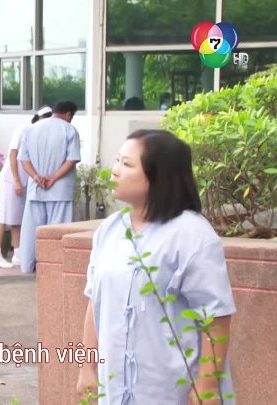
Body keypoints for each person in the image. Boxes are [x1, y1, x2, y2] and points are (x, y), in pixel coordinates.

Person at [76, 130, 235, 404]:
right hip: (115, 386)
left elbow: (216, 317)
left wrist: (207, 385)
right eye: (117, 160)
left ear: (158, 175)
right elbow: (95, 301)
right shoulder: (110, 230)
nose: (115, 171)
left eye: (127, 164)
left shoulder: (192, 235)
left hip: (171, 389)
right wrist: (87, 367)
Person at [17, 101, 81, 273]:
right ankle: (54, 269)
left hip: (36, 189)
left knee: (31, 231)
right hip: (60, 190)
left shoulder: (32, 129)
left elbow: (24, 159)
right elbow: (71, 159)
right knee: (57, 232)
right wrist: (53, 178)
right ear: (69, 114)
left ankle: (27, 266)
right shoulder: (69, 130)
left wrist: (36, 177)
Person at [0, 105, 52, 268]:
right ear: (39, 118)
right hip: (11, 180)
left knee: (17, 218)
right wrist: (16, 180)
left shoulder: (40, 134)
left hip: (24, 182)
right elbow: (13, 154)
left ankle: (17, 254)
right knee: (2, 217)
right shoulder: (23, 129)